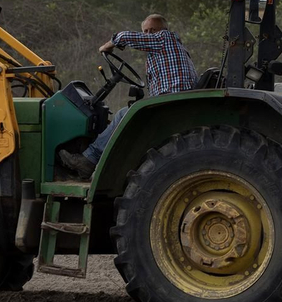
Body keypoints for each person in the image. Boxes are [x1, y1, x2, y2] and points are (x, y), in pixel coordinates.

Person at [57, 13, 196, 179]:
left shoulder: (165, 39)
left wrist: (108, 46)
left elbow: (124, 36)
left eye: (153, 29)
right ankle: (102, 165)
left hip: (172, 103)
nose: (148, 34)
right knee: (126, 113)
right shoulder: (164, 51)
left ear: (164, 30)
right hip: (173, 101)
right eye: (145, 31)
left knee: (125, 114)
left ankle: (88, 159)